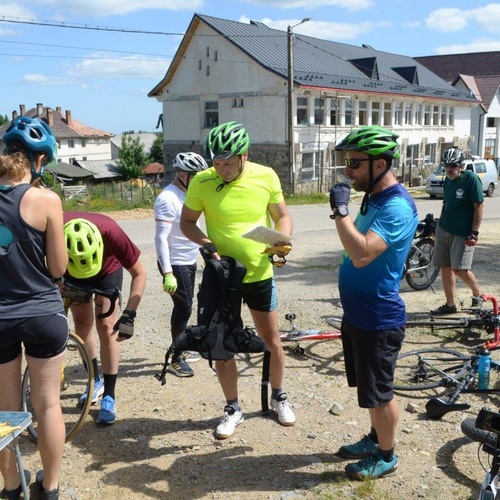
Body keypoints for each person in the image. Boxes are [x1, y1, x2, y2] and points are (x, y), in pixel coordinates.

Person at [180, 121, 295, 439]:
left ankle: (279, 397)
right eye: (217, 163)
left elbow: (282, 215)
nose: (222, 169)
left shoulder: (266, 176)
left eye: (228, 162)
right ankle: (233, 408)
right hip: (223, 277)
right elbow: (187, 222)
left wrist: (282, 239)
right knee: (220, 342)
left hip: (259, 273)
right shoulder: (202, 181)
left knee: (272, 339)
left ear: (245, 155)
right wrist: (206, 244)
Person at [330, 125, 418, 479]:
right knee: (369, 390)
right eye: (346, 162)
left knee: (380, 393)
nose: (347, 170)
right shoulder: (374, 197)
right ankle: (374, 437)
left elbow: (362, 253)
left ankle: (386, 455)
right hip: (358, 314)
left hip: (378, 318)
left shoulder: (396, 206)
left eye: (354, 163)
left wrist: (340, 210)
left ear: (379, 164)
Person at [0, 116, 67, 499]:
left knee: (4, 409)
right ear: (39, 160)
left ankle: (11, 487)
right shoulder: (46, 200)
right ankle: (50, 488)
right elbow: (57, 267)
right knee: (48, 405)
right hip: (42, 313)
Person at [62, 212, 146, 425]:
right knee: (82, 326)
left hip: (107, 269)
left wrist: (129, 315)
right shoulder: (53, 230)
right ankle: (94, 381)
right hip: (71, 270)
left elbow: (139, 274)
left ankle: (109, 394)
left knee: (107, 326)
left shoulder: (111, 231)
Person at [154, 152, 208, 377]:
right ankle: (175, 357)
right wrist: (167, 272)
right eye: (195, 176)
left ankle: (181, 348)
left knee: (186, 306)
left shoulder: (189, 195)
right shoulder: (167, 198)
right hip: (174, 263)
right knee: (183, 308)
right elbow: (160, 238)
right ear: (182, 175)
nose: (198, 180)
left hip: (188, 260)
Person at [430, 147, 484, 315]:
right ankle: (450, 305)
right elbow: (446, 204)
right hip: (444, 228)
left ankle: (478, 295)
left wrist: (474, 232)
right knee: (445, 267)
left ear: (461, 165)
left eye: (453, 165)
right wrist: (437, 225)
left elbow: (479, 205)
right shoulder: (448, 180)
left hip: (462, 232)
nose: (449, 169)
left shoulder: (471, 179)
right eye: (446, 165)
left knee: (460, 269)